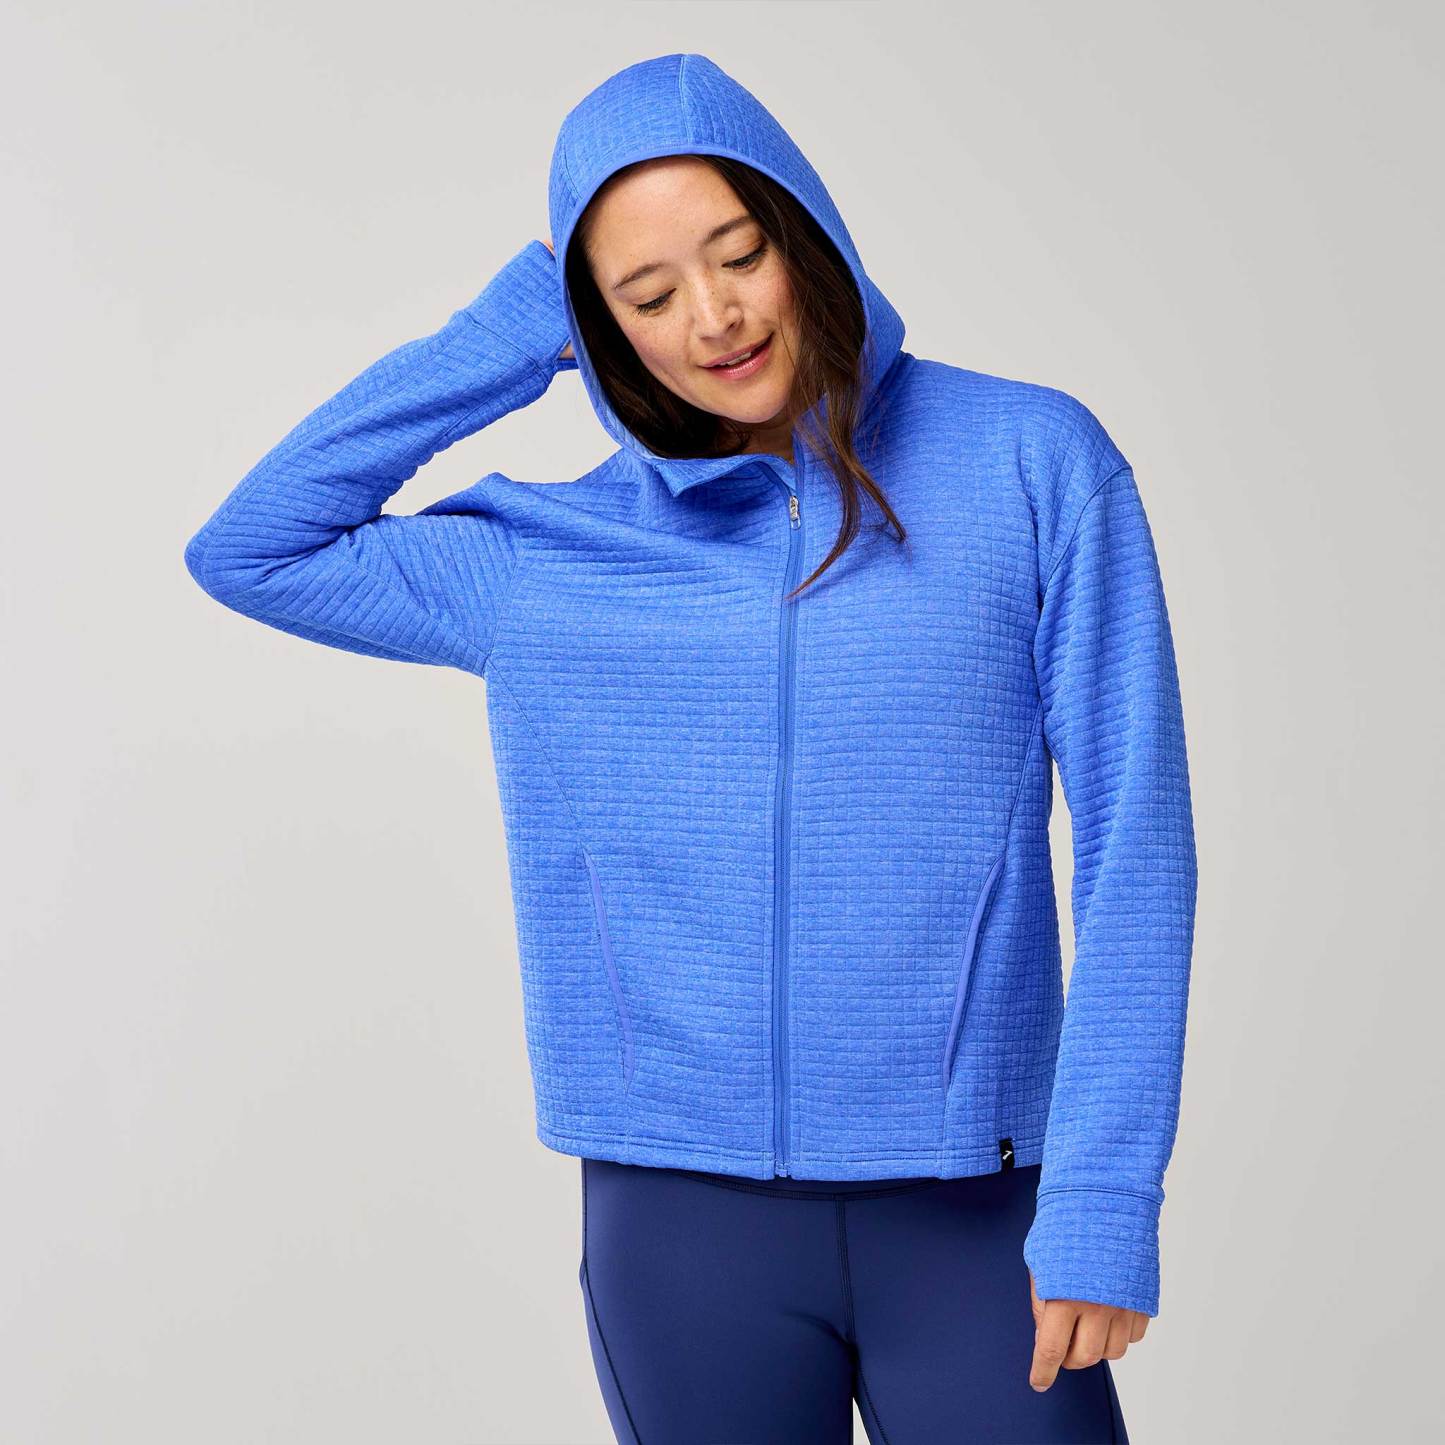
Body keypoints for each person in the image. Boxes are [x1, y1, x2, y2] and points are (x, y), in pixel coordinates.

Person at [184, 51, 1196, 1445]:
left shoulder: (1031, 464)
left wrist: (1104, 1198)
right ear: (592, 322)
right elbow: (250, 548)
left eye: (739, 254)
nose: (713, 318)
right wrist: (506, 327)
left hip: (978, 1208)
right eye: (647, 295)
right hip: (680, 1229)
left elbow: (1138, 841)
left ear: (806, 232)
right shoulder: (545, 558)